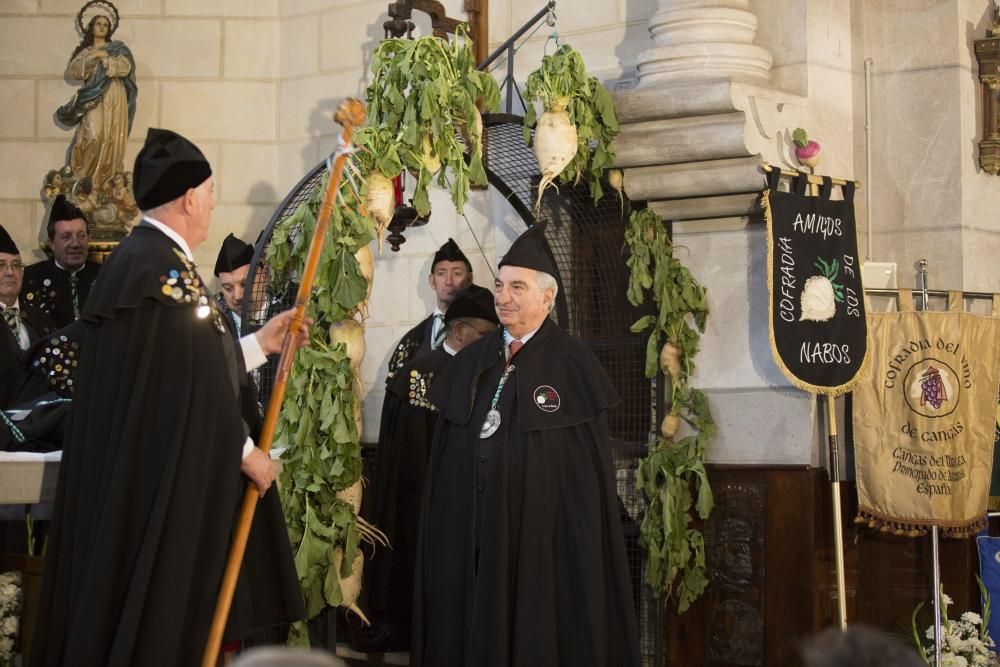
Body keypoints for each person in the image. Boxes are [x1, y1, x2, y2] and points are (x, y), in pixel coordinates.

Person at [31, 127, 305, 667]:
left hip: (133, 474)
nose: (211, 203)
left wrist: (259, 344)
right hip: (158, 483)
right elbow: (190, 384)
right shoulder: (166, 271)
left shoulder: (139, 261)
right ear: (187, 198)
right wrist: (246, 454)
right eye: (209, 192)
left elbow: (184, 364)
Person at [411, 223, 641, 666]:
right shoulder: (473, 359)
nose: (503, 297)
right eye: (499, 285)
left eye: (518, 287)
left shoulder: (573, 364)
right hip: (471, 537)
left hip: (540, 543)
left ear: (547, 298)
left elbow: (580, 482)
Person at [356, 284, 499, 653]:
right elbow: (412, 453)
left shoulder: (477, 373)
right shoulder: (422, 373)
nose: (489, 343)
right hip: (418, 499)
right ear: (458, 331)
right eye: (484, 335)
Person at [57, 8, 137, 190]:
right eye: (98, 24)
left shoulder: (117, 49)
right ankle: (84, 180)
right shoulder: (86, 51)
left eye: (105, 25)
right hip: (93, 98)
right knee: (92, 136)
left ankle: (106, 183)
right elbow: (74, 71)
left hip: (115, 96)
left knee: (111, 138)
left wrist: (106, 57)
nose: (102, 27)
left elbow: (126, 68)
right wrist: (93, 56)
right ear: (91, 27)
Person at [385, 238, 472, 383]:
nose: (449, 281)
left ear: (469, 280)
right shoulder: (411, 340)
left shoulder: (481, 335)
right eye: (441, 273)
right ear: (432, 281)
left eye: (457, 274)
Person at [21, 194, 101, 330]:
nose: (75, 244)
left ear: (89, 239)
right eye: (66, 237)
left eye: (81, 236)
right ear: (51, 243)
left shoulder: (106, 275)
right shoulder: (30, 278)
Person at [0, 225, 55, 409]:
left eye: (16, 265)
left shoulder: (38, 317)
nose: (10, 272)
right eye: (1, 265)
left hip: (40, 425)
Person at [214, 232, 255, 337]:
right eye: (228, 288)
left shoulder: (287, 310)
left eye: (244, 284)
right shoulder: (216, 330)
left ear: (263, 275)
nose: (237, 296)